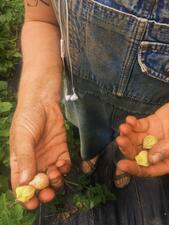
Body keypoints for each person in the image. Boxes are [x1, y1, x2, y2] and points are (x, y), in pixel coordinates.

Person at [10, 0, 169, 223]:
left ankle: (120, 157)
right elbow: (40, 18)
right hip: (86, 97)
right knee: (90, 132)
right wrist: (38, 97)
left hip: (153, 112)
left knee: (132, 141)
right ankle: (93, 151)